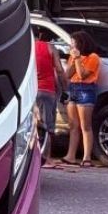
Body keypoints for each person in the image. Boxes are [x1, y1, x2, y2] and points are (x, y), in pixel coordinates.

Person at [61, 30, 100, 167]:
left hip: (86, 89)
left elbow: (82, 74)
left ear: (81, 43)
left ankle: (87, 157)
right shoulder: (73, 57)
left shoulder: (93, 57)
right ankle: (70, 155)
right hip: (73, 88)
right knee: (73, 125)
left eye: (74, 42)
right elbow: (68, 74)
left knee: (85, 125)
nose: (72, 45)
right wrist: (72, 60)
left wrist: (77, 59)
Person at [35, 36, 67, 169]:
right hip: (47, 89)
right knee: (48, 126)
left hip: (32, 90)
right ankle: (47, 158)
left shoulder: (25, 47)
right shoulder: (50, 47)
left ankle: (35, 157)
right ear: (41, 35)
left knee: (34, 125)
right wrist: (65, 86)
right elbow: (59, 69)